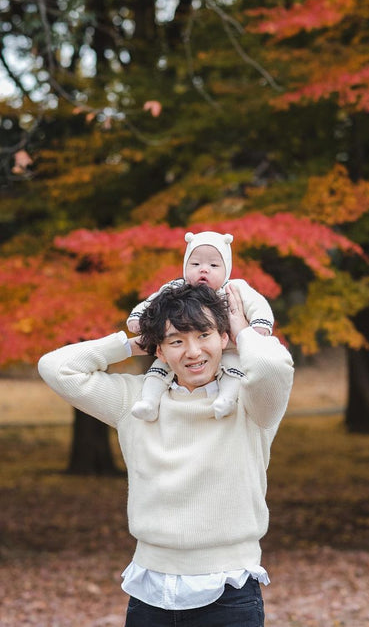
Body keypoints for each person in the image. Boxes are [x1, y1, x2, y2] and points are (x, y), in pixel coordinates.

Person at [38, 282, 294, 627]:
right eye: (176, 340)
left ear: (224, 338)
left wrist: (243, 330)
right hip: (150, 592)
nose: (192, 352)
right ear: (158, 350)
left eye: (204, 335)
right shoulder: (137, 402)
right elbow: (56, 367)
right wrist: (131, 344)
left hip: (229, 592)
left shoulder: (252, 404)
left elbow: (274, 367)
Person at [127, 230, 274, 421]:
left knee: (233, 368)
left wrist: (255, 327)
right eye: (195, 264)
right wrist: (139, 318)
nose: (204, 269)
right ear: (185, 266)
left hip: (230, 347)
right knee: (158, 368)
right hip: (180, 356)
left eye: (214, 265)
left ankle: (227, 399)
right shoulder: (175, 289)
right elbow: (152, 302)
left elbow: (258, 304)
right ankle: (149, 402)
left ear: (226, 268)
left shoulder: (234, 289)